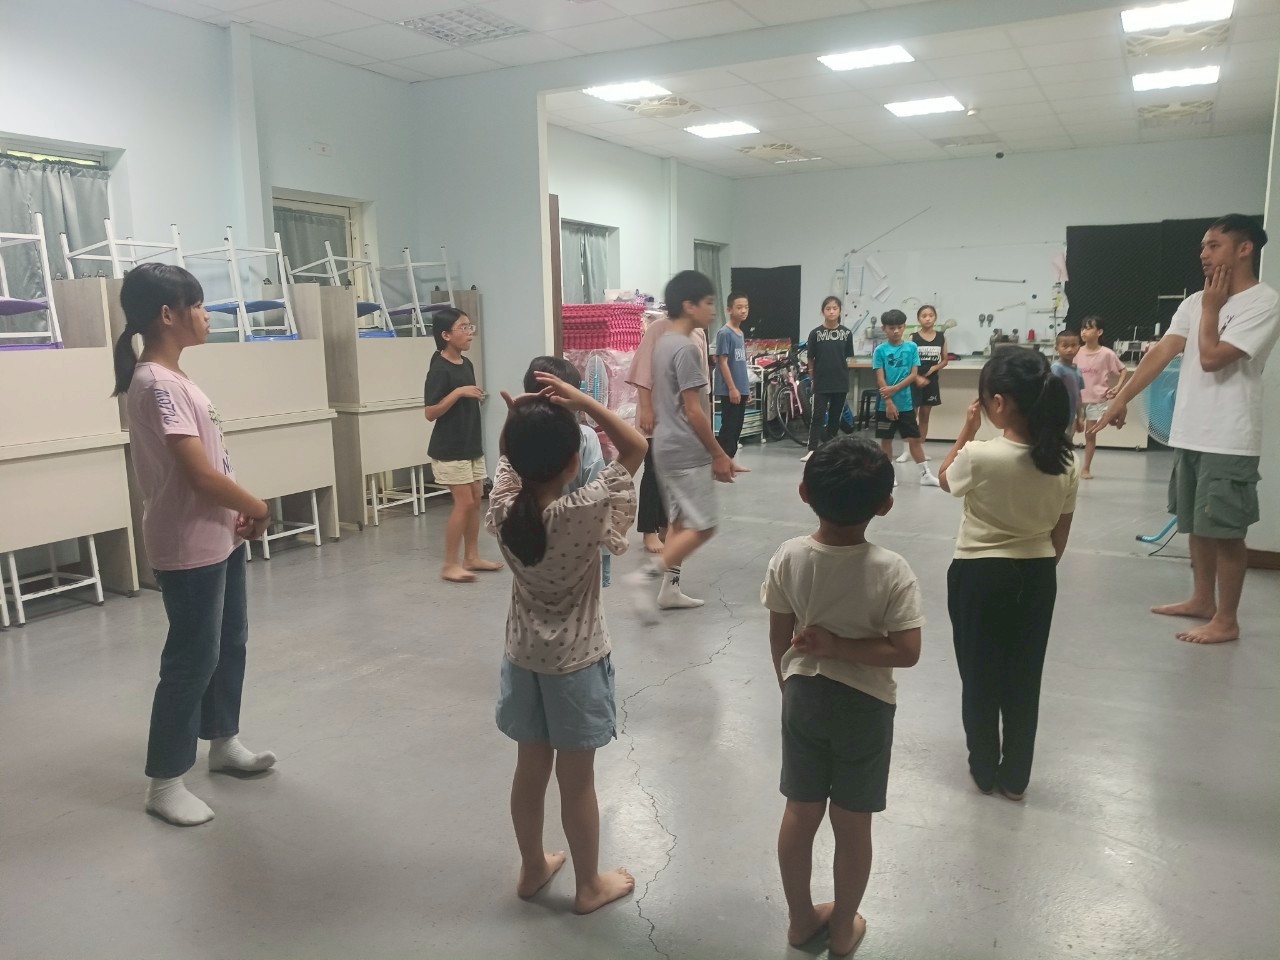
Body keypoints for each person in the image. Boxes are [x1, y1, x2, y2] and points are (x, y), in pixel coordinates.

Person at [113, 263, 276, 827]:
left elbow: (211, 465)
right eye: (199, 305)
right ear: (168, 314)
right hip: (187, 543)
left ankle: (223, 742)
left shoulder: (175, 377)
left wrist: (239, 509)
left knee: (229, 643)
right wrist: (258, 505)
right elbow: (198, 475)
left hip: (219, 535)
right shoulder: (157, 383)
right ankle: (165, 781)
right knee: (191, 659)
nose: (208, 315)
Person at [487, 371, 645, 914]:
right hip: (577, 663)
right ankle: (588, 886)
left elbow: (509, 461)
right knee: (577, 783)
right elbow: (636, 447)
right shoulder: (584, 511)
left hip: (523, 658)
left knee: (529, 770)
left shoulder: (505, 509)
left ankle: (533, 866)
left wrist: (516, 421)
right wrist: (585, 404)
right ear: (575, 462)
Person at [761, 436, 923, 957]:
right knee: (853, 822)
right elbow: (907, 651)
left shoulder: (789, 556)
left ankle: (800, 921)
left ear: (804, 492)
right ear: (885, 504)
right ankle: (842, 929)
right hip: (865, 707)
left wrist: (788, 683)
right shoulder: (891, 569)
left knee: (800, 811)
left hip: (802, 696)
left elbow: (779, 635)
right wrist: (842, 648)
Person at [1095, 214, 1280, 645]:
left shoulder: (1263, 302)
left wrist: (1212, 310)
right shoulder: (1195, 301)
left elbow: (1213, 358)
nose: (1203, 254)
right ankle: (1201, 599)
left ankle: (1227, 620)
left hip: (1229, 436)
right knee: (1195, 522)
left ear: (1244, 249)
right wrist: (1122, 397)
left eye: (1213, 245)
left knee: (1227, 532)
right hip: (1190, 430)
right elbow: (1163, 351)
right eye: (1202, 247)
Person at [939, 349, 1078, 801]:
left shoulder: (980, 455)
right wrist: (1038, 568)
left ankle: (984, 768)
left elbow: (944, 478)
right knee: (1024, 677)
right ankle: (1016, 778)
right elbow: (1060, 532)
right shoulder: (1065, 461)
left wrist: (966, 431)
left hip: (979, 574)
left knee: (979, 676)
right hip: (1038, 574)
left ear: (998, 403)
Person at [628, 270, 745, 616]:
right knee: (703, 525)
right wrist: (718, 454)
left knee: (678, 524)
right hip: (684, 447)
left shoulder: (666, 342)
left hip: (666, 444)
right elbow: (694, 411)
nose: (713, 310)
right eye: (708, 302)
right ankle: (645, 577)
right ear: (689, 305)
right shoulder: (685, 348)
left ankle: (670, 589)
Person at [423, 307, 502, 582]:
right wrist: (458, 392)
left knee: (476, 500)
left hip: (470, 444)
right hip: (449, 448)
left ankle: (471, 557)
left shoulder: (466, 364)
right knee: (463, 503)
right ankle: (449, 564)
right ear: (446, 335)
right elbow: (430, 412)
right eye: (463, 328)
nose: (470, 333)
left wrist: (469, 395)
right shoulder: (439, 369)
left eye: (470, 327)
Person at [523, 355, 610, 586]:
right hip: (581, 543)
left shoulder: (520, 437)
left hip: (533, 544)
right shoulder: (585, 437)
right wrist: (588, 405)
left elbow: (506, 479)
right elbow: (598, 493)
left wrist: (516, 415)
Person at [626, 314, 710, 554]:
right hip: (657, 414)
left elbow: (702, 382)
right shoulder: (658, 328)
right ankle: (648, 531)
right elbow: (642, 373)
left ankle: (665, 526)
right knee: (654, 471)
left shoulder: (699, 332)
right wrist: (646, 410)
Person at [873, 310, 938, 487]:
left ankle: (925, 475)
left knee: (914, 439)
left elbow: (913, 374)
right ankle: (888, 476)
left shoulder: (911, 347)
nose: (896, 331)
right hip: (885, 405)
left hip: (906, 404)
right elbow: (880, 378)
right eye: (891, 328)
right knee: (886, 440)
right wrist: (888, 401)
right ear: (884, 329)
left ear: (904, 327)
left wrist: (894, 389)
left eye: (899, 327)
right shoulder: (880, 351)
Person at [803, 296, 854, 463]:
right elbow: (810, 357)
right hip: (821, 381)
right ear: (823, 311)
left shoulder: (846, 333)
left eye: (835, 308)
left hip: (840, 381)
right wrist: (812, 375)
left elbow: (847, 357)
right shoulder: (815, 333)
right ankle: (812, 449)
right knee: (817, 415)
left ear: (840, 311)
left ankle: (831, 449)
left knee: (834, 417)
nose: (831, 312)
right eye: (828, 309)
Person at [1076, 316, 1127, 479]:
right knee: (1069, 433)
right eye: (1082, 328)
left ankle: (1086, 468)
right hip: (1077, 400)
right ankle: (1112, 419)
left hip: (1096, 399)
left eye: (1088, 328)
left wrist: (1118, 386)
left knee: (1090, 435)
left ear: (1099, 332)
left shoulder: (1107, 354)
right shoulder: (1076, 352)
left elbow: (1123, 369)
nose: (1084, 331)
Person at [897, 304, 947, 462]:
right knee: (911, 416)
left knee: (925, 416)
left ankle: (920, 450)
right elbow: (907, 360)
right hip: (913, 380)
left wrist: (934, 368)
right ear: (918, 319)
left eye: (931, 315)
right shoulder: (913, 338)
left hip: (931, 382)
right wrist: (916, 377)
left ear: (935, 318)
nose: (928, 318)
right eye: (924, 316)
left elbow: (945, 360)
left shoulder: (941, 337)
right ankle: (906, 450)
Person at [715, 291, 752, 461]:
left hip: (740, 388)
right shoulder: (725, 333)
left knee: (737, 428)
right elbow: (722, 362)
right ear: (729, 309)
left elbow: (740, 364)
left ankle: (730, 461)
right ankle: (723, 462)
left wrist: (746, 389)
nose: (743, 310)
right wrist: (732, 388)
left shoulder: (740, 333)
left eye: (746, 307)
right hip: (729, 390)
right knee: (729, 428)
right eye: (739, 307)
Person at [1050, 330, 1086, 439]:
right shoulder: (1056, 369)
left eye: (1073, 345)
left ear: (1079, 347)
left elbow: (1078, 396)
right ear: (1057, 348)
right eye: (1065, 346)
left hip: (1070, 418)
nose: (1070, 349)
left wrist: (1080, 416)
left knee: (1067, 443)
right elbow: (1051, 394)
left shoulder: (1077, 370)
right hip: (1057, 419)